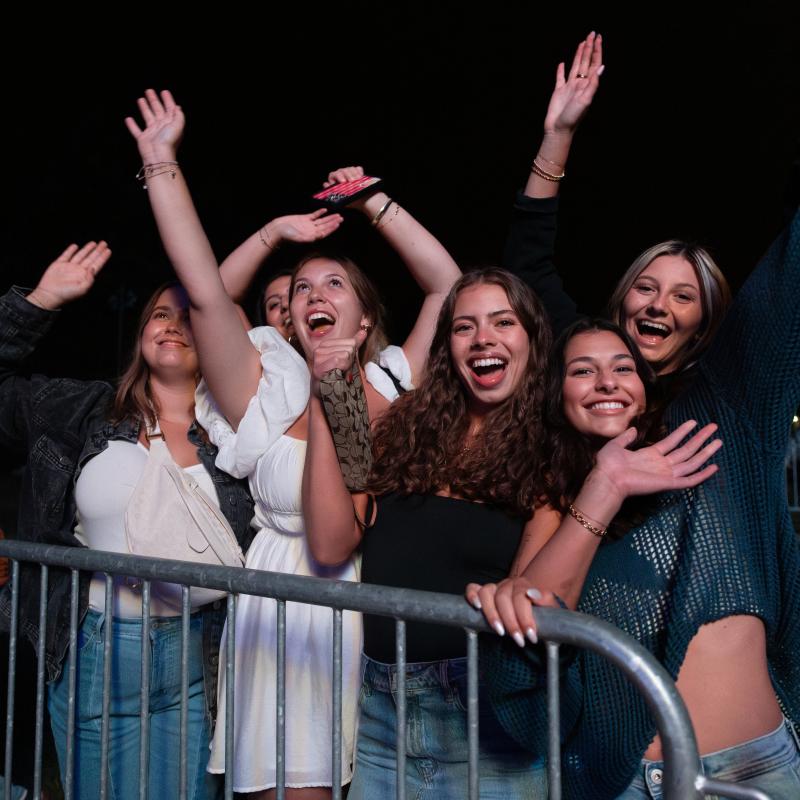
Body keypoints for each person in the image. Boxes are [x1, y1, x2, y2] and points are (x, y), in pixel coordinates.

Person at [125, 89, 461, 798]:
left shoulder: (391, 385)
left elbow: (447, 287)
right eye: (303, 285)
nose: (314, 292)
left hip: (358, 613)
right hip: (276, 603)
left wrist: (373, 205)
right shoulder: (264, 386)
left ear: (364, 316)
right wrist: (162, 164)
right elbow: (207, 294)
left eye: (335, 282)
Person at [471, 277, 800, 798]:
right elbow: (530, 630)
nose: (606, 382)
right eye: (583, 371)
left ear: (646, 388)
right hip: (632, 784)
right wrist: (607, 485)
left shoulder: (712, 447)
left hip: (755, 772)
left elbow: (779, 308)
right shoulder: (557, 499)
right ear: (557, 395)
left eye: (624, 368)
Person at [0, 242, 254, 800]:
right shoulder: (85, 410)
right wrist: (40, 302)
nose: (172, 325)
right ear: (142, 333)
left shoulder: (240, 437)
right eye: (160, 313)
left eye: (190, 318)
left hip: (196, 653)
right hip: (98, 650)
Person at [303, 268, 558, 798]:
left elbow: (532, 591)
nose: (483, 338)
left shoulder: (551, 451)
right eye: (465, 326)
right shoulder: (404, 425)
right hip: (381, 706)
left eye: (503, 322)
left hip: (484, 715)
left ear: (532, 338)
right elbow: (330, 543)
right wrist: (322, 402)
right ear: (448, 346)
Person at [503, 33, 732, 400]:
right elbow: (527, 264)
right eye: (645, 288)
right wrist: (558, 134)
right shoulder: (580, 347)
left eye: (683, 297)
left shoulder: (711, 401)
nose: (658, 305)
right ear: (622, 298)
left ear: (703, 327)